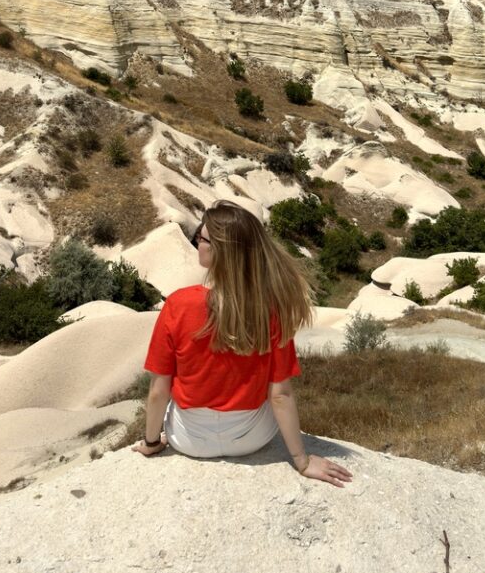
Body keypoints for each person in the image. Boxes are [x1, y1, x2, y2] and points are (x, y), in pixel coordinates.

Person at [132, 200, 353, 487]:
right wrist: (302, 460)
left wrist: (151, 443)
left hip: (189, 441)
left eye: (202, 237)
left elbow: (158, 392)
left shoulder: (177, 305)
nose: (197, 241)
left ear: (220, 251)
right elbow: (280, 395)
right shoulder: (270, 308)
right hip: (252, 438)